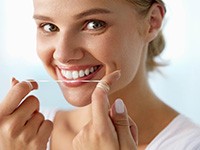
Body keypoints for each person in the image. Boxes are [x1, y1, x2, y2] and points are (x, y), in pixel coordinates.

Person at [1, 0, 200, 149]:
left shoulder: (189, 144)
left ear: (152, 22)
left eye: (94, 24)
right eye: (49, 27)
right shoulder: (15, 137)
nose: (63, 55)